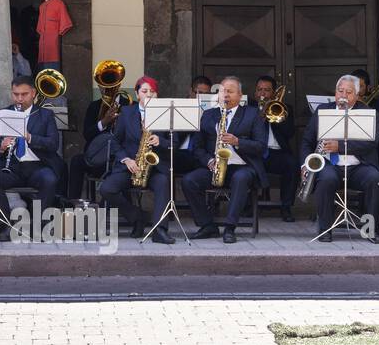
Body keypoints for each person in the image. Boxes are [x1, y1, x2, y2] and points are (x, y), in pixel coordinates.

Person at [180, 76, 268, 244]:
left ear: (240, 95)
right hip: (214, 166)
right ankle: (207, 225)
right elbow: (197, 147)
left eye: (230, 91)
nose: (225, 94)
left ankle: (230, 227)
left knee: (241, 178)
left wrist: (238, 141)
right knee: (189, 181)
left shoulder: (252, 114)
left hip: (242, 165)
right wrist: (208, 161)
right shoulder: (208, 115)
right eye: (222, 91)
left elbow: (261, 146)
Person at [299, 74, 379, 243]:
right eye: (340, 91)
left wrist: (341, 147)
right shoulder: (322, 110)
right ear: (335, 92)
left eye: (349, 92)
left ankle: (371, 229)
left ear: (357, 95)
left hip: (359, 166)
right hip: (330, 165)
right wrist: (304, 164)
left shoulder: (369, 113)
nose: (343, 95)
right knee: (326, 178)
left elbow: (372, 143)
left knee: (375, 178)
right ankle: (325, 229)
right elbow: (306, 141)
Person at [97, 76, 175, 244]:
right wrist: (126, 160)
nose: (149, 95)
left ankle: (160, 230)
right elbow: (115, 140)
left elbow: (174, 143)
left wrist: (161, 141)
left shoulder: (166, 113)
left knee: (163, 183)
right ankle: (137, 217)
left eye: (152, 92)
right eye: (144, 91)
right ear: (138, 94)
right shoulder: (126, 113)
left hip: (155, 168)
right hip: (130, 166)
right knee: (107, 189)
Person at [0, 76, 65, 237]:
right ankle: (5, 226)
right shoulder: (2, 114)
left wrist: (29, 137)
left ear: (33, 93)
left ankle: (38, 227)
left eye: (24, 94)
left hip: (37, 166)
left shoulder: (45, 115)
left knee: (49, 179)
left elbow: (53, 144)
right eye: (16, 94)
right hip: (12, 167)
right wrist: (0, 147)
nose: (19, 99)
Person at [66, 88, 131, 200]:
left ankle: (120, 204)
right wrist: (104, 122)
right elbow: (87, 134)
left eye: (110, 83)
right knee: (76, 161)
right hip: (98, 156)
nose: (106, 88)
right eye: (102, 84)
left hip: (119, 158)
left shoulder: (129, 105)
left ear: (118, 84)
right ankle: (72, 204)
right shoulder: (94, 106)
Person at [254, 75, 297, 222]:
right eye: (259, 90)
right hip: (256, 153)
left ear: (273, 93)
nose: (262, 93)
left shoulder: (284, 109)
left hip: (277, 153)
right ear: (255, 92)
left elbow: (289, 133)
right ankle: (247, 206)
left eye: (267, 90)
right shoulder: (249, 109)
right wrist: (260, 116)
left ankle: (286, 207)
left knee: (292, 165)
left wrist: (274, 117)